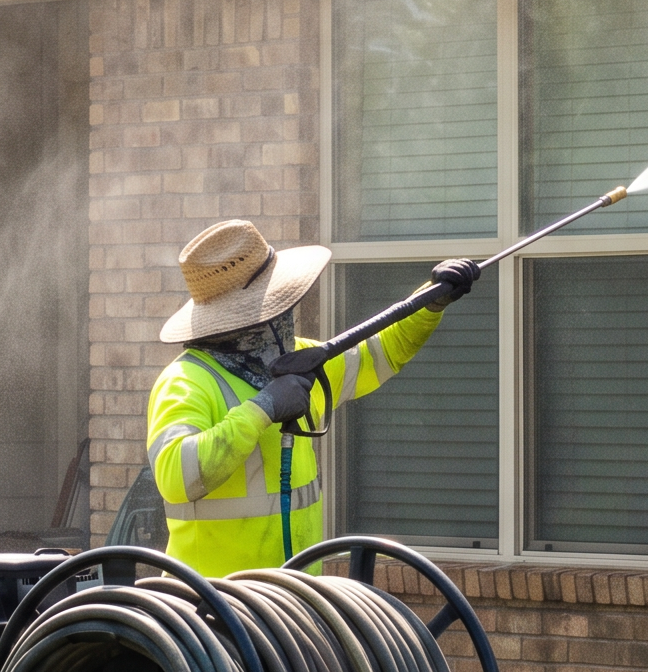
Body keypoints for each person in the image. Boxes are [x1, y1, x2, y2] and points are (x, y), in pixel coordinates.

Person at [141, 219, 480, 576]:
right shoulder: (187, 380)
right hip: (211, 611)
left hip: (291, 603)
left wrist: (429, 302)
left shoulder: (299, 362)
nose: (288, 313)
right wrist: (262, 409)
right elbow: (176, 477)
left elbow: (381, 353)